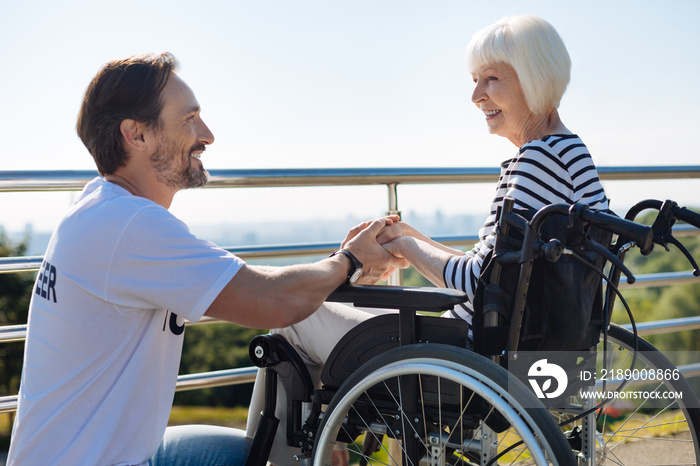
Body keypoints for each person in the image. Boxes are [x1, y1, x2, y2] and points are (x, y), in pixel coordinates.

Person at [7, 53, 404, 466]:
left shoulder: (103, 210)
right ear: (137, 135)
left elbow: (247, 282)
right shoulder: (127, 225)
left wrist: (335, 269)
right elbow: (271, 300)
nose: (207, 135)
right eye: (189, 120)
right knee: (269, 459)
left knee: (261, 454)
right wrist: (349, 261)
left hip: (97, 454)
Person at [246, 14, 610, 465]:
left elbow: (478, 282)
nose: (476, 95)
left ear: (534, 79)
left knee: (293, 317)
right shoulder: (571, 152)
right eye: (476, 80)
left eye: (491, 79)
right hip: (540, 351)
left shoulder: (532, 163)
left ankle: (282, 457)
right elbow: (500, 271)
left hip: (461, 355)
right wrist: (407, 236)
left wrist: (406, 249)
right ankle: (329, 447)